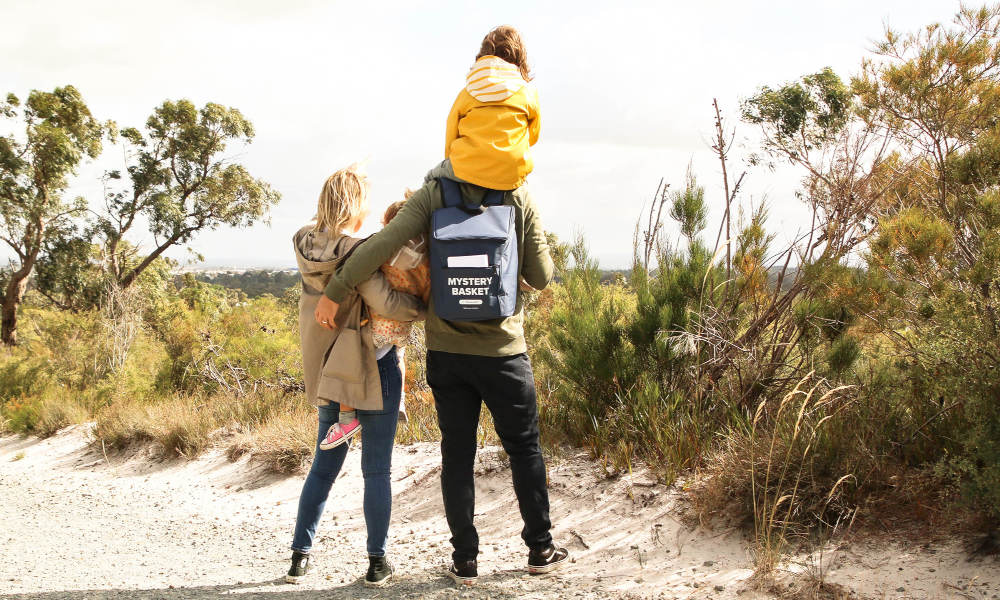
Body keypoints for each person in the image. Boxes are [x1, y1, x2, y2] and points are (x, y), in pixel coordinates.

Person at [315, 25, 568, 588]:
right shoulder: (518, 192)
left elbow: (379, 246)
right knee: (524, 448)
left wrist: (336, 290)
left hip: (448, 352)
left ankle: (465, 562)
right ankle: (539, 549)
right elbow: (540, 276)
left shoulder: (436, 190)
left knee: (458, 454)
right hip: (504, 351)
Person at [289, 164, 425, 587]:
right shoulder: (358, 251)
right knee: (376, 469)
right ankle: (376, 562)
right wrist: (424, 310)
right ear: (356, 206)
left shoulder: (304, 243)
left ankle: (299, 557)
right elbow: (386, 302)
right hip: (371, 364)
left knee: (323, 467)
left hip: (327, 369)